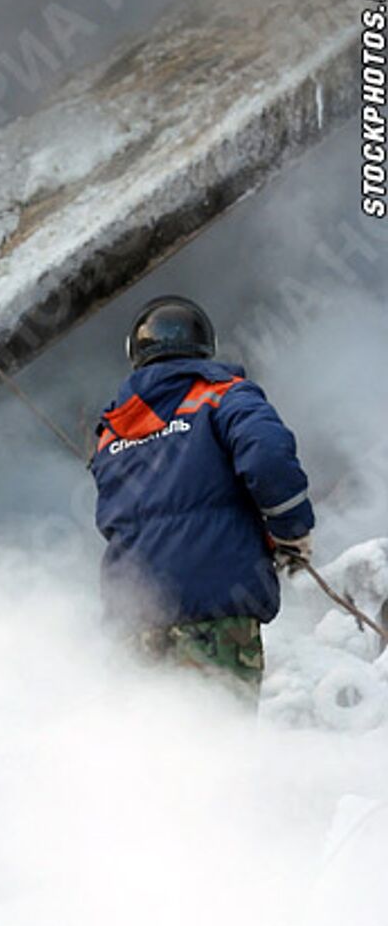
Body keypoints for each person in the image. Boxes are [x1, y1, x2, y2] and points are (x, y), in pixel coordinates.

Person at [90, 295, 314, 694]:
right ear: (205, 345)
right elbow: (267, 454)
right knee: (223, 750)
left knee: (154, 753)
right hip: (213, 618)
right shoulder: (223, 395)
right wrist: (290, 530)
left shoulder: (113, 430)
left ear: (135, 354)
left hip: (134, 628)